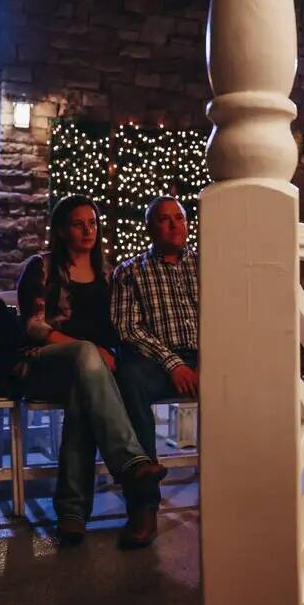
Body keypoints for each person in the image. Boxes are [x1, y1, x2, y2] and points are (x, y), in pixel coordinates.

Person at [17, 194, 164, 548]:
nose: (88, 230)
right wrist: (91, 351)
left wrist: (106, 353)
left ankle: (72, 513)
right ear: (62, 230)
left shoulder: (109, 274)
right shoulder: (42, 266)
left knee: (84, 392)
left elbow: (115, 330)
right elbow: (35, 327)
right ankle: (130, 461)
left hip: (89, 374)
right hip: (42, 362)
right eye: (78, 224)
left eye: (93, 223)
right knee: (85, 356)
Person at [111, 197, 199, 462]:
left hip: (206, 358)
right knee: (128, 377)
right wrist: (174, 364)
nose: (174, 225)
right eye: (164, 219)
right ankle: (144, 481)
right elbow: (127, 328)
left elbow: (225, 316)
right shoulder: (129, 271)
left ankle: (240, 475)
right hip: (157, 363)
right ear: (149, 228)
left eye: (179, 218)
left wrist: (208, 360)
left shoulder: (207, 265)